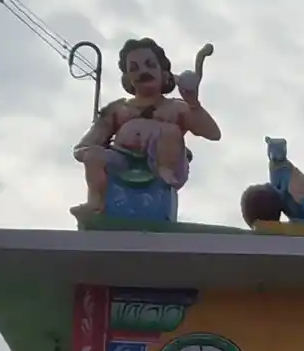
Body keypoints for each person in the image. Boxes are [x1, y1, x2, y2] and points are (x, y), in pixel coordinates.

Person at [73, 39, 220, 219]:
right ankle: (96, 203)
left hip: (163, 168)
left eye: (150, 65)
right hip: (121, 159)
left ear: (164, 73)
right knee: (95, 156)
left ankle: (161, 184)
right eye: (134, 68)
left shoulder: (176, 108)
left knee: (169, 131)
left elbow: (213, 133)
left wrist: (193, 103)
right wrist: (91, 155)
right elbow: (84, 146)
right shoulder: (117, 109)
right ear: (127, 78)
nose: (143, 72)